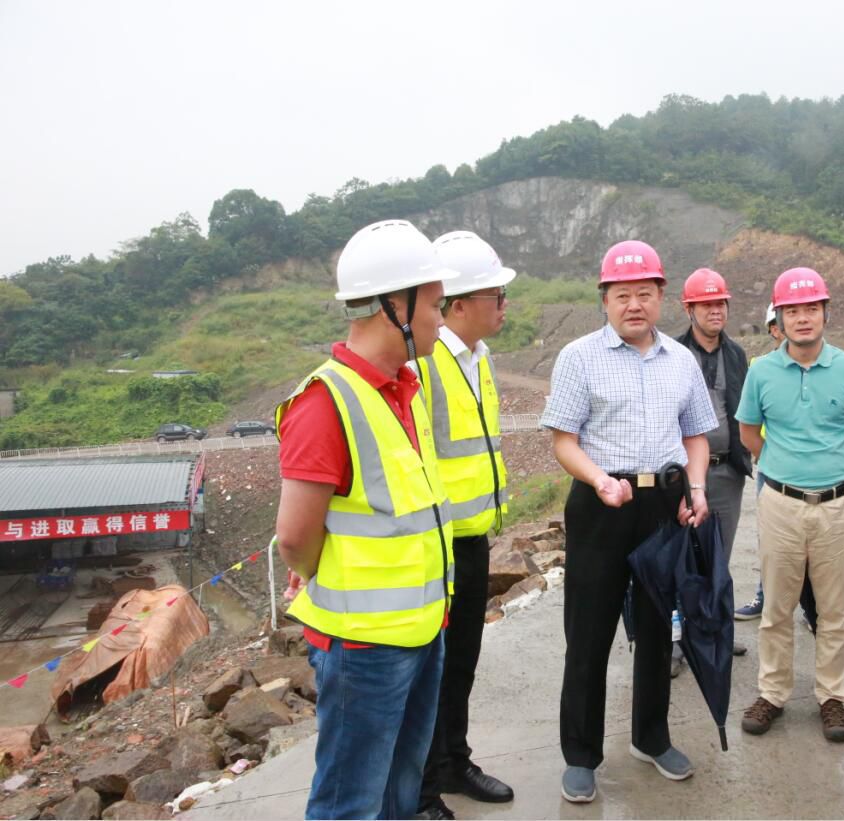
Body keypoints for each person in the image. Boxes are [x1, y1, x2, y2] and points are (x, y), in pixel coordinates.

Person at [275, 219, 457, 820]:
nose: (442, 318)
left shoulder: (405, 387)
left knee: (401, 790)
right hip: (363, 647)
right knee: (349, 803)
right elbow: (294, 539)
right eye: (435, 304)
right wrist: (322, 573)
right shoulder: (324, 403)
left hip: (422, 629)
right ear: (393, 306)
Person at [540, 239, 717, 804]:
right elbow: (564, 440)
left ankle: (651, 737)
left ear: (661, 296)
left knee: (658, 626)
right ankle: (581, 755)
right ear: (605, 299)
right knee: (588, 633)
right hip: (601, 505)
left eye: (644, 293)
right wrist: (598, 479)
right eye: (622, 295)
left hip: (663, 504)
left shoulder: (681, 360)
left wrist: (695, 487)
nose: (633, 304)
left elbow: (695, 435)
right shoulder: (578, 357)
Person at [736, 267, 844, 742]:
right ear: (779, 318)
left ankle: (832, 697)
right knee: (777, 607)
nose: (802, 318)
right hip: (780, 503)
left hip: (836, 505)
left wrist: (830, 469)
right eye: (792, 310)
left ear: (825, 313)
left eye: (811, 309)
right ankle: (772, 693)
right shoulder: (761, 372)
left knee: (834, 609)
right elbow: (748, 432)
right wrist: (782, 466)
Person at [415, 231, 516, 819]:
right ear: (457, 305)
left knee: (462, 664)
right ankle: (423, 788)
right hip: (436, 545)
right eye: (494, 295)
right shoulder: (426, 364)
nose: (504, 304)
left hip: (473, 539)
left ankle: (455, 762)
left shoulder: (481, 359)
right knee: (433, 671)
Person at [674, 267, 752, 663]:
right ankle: (676, 642)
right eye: (705, 304)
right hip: (682, 475)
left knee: (720, 557)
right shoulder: (671, 353)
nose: (715, 310)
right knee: (682, 557)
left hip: (726, 473)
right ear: (689, 309)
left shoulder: (736, 355)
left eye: (720, 302)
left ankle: (715, 633)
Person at [735, 304, 782, 621]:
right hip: (771, 467)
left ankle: (812, 608)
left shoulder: (834, 368)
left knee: (815, 545)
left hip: (814, 475)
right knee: (770, 539)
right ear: (774, 330)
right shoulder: (760, 368)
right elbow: (748, 424)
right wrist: (769, 458)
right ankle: (765, 598)